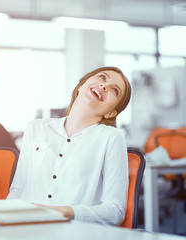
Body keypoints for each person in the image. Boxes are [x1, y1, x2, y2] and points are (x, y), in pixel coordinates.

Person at [7, 66, 132, 225]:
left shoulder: (112, 138)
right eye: (102, 77)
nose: (104, 86)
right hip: (26, 227)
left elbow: (115, 211)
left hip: (72, 230)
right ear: (81, 86)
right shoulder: (36, 128)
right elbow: (18, 190)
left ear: (111, 113)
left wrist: (64, 211)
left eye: (115, 90)